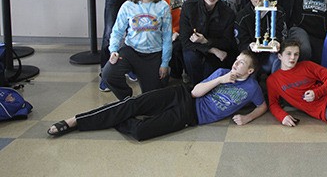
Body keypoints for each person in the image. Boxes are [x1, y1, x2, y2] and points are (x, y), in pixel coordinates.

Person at [47, 51, 267, 141]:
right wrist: (220, 79)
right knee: (133, 104)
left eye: (241, 64)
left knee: (141, 131)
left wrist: (247, 118)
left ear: (250, 71)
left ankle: (116, 115)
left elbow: (262, 106)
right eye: (236, 60)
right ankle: (76, 121)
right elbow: (194, 91)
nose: (236, 64)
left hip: (191, 117)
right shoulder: (221, 72)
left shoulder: (253, 88)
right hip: (181, 95)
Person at [102, 0, 171, 100]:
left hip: (153, 54)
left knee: (152, 99)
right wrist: (113, 50)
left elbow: (167, 37)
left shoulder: (163, 6)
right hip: (131, 51)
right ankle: (127, 98)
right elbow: (117, 31)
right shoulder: (128, 6)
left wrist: (165, 63)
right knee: (108, 74)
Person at [180, 0, 237, 85]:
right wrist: (213, 49)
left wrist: (206, 41)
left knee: (209, 76)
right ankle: (193, 86)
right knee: (191, 57)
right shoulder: (188, 7)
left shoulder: (228, 13)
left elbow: (228, 42)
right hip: (196, 49)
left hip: (217, 52)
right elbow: (185, 41)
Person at [235, 0, 286, 74]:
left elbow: (282, 32)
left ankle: (276, 84)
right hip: (252, 54)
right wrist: (250, 46)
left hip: (272, 53)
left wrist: (277, 42)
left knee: (278, 59)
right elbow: (241, 42)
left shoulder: (277, 11)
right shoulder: (242, 16)